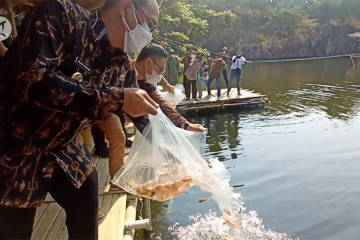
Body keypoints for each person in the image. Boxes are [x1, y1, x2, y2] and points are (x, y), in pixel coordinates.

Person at [0, 0, 160, 239]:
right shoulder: (61, 15)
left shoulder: (120, 62)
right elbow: (35, 78)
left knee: (86, 190)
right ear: (126, 8)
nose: (148, 34)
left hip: (60, 144)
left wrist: (182, 140)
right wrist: (116, 99)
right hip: (14, 144)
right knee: (14, 227)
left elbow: (143, 106)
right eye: (148, 23)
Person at [134, 43, 205, 132]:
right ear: (148, 62)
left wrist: (185, 124)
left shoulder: (145, 83)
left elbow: (161, 103)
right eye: (160, 70)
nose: (160, 75)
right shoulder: (122, 71)